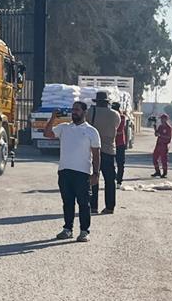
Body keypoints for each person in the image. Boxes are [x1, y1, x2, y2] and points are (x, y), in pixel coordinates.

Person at [44, 101, 101, 242]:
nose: (74, 112)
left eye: (77, 110)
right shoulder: (64, 128)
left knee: (83, 203)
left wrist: (96, 173)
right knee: (67, 202)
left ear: (84, 112)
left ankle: (84, 231)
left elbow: (97, 154)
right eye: (73, 109)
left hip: (82, 173)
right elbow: (47, 133)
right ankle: (67, 229)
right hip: (64, 171)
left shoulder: (91, 131)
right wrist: (53, 118)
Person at [85, 91, 120, 214]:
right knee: (110, 180)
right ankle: (110, 207)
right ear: (107, 102)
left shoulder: (90, 112)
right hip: (109, 150)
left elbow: (86, 126)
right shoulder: (115, 114)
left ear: (97, 101)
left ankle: (93, 206)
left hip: (94, 149)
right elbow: (117, 126)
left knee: (94, 177)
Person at [111, 101, 128, 185]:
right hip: (111, 143)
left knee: (120, 163)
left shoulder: (122, 117)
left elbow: (119, 130)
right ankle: (115, 176)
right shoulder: (110, 116)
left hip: (120, 143)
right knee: (110, 163)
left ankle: (119, 181)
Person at [153, 113, 172, 178]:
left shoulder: (168, 128)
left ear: (166, 119)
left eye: (163, 119)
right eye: (161, 119)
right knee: (154, 158)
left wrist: (161, 135)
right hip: (158, 144)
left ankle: (164, 173)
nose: (161, 120)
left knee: (163, 159)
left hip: (164, 145)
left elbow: (168, 137)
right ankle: (157, 172)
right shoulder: (160, 127)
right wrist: (155, 129)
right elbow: (156, 134)